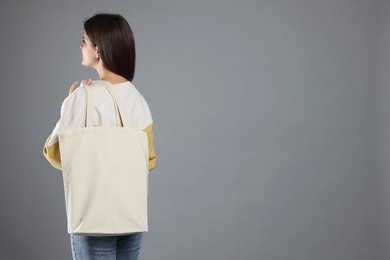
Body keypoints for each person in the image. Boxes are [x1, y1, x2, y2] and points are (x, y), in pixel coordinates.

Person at [43, 13, 156, 260]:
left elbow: (57, 155)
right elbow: (149, 161)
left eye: (85, 41)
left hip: (93, 218)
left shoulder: (83, 96)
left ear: (99, 51)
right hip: (131, 217)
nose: (81, 46)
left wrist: (69, 103)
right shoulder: (139, 101)